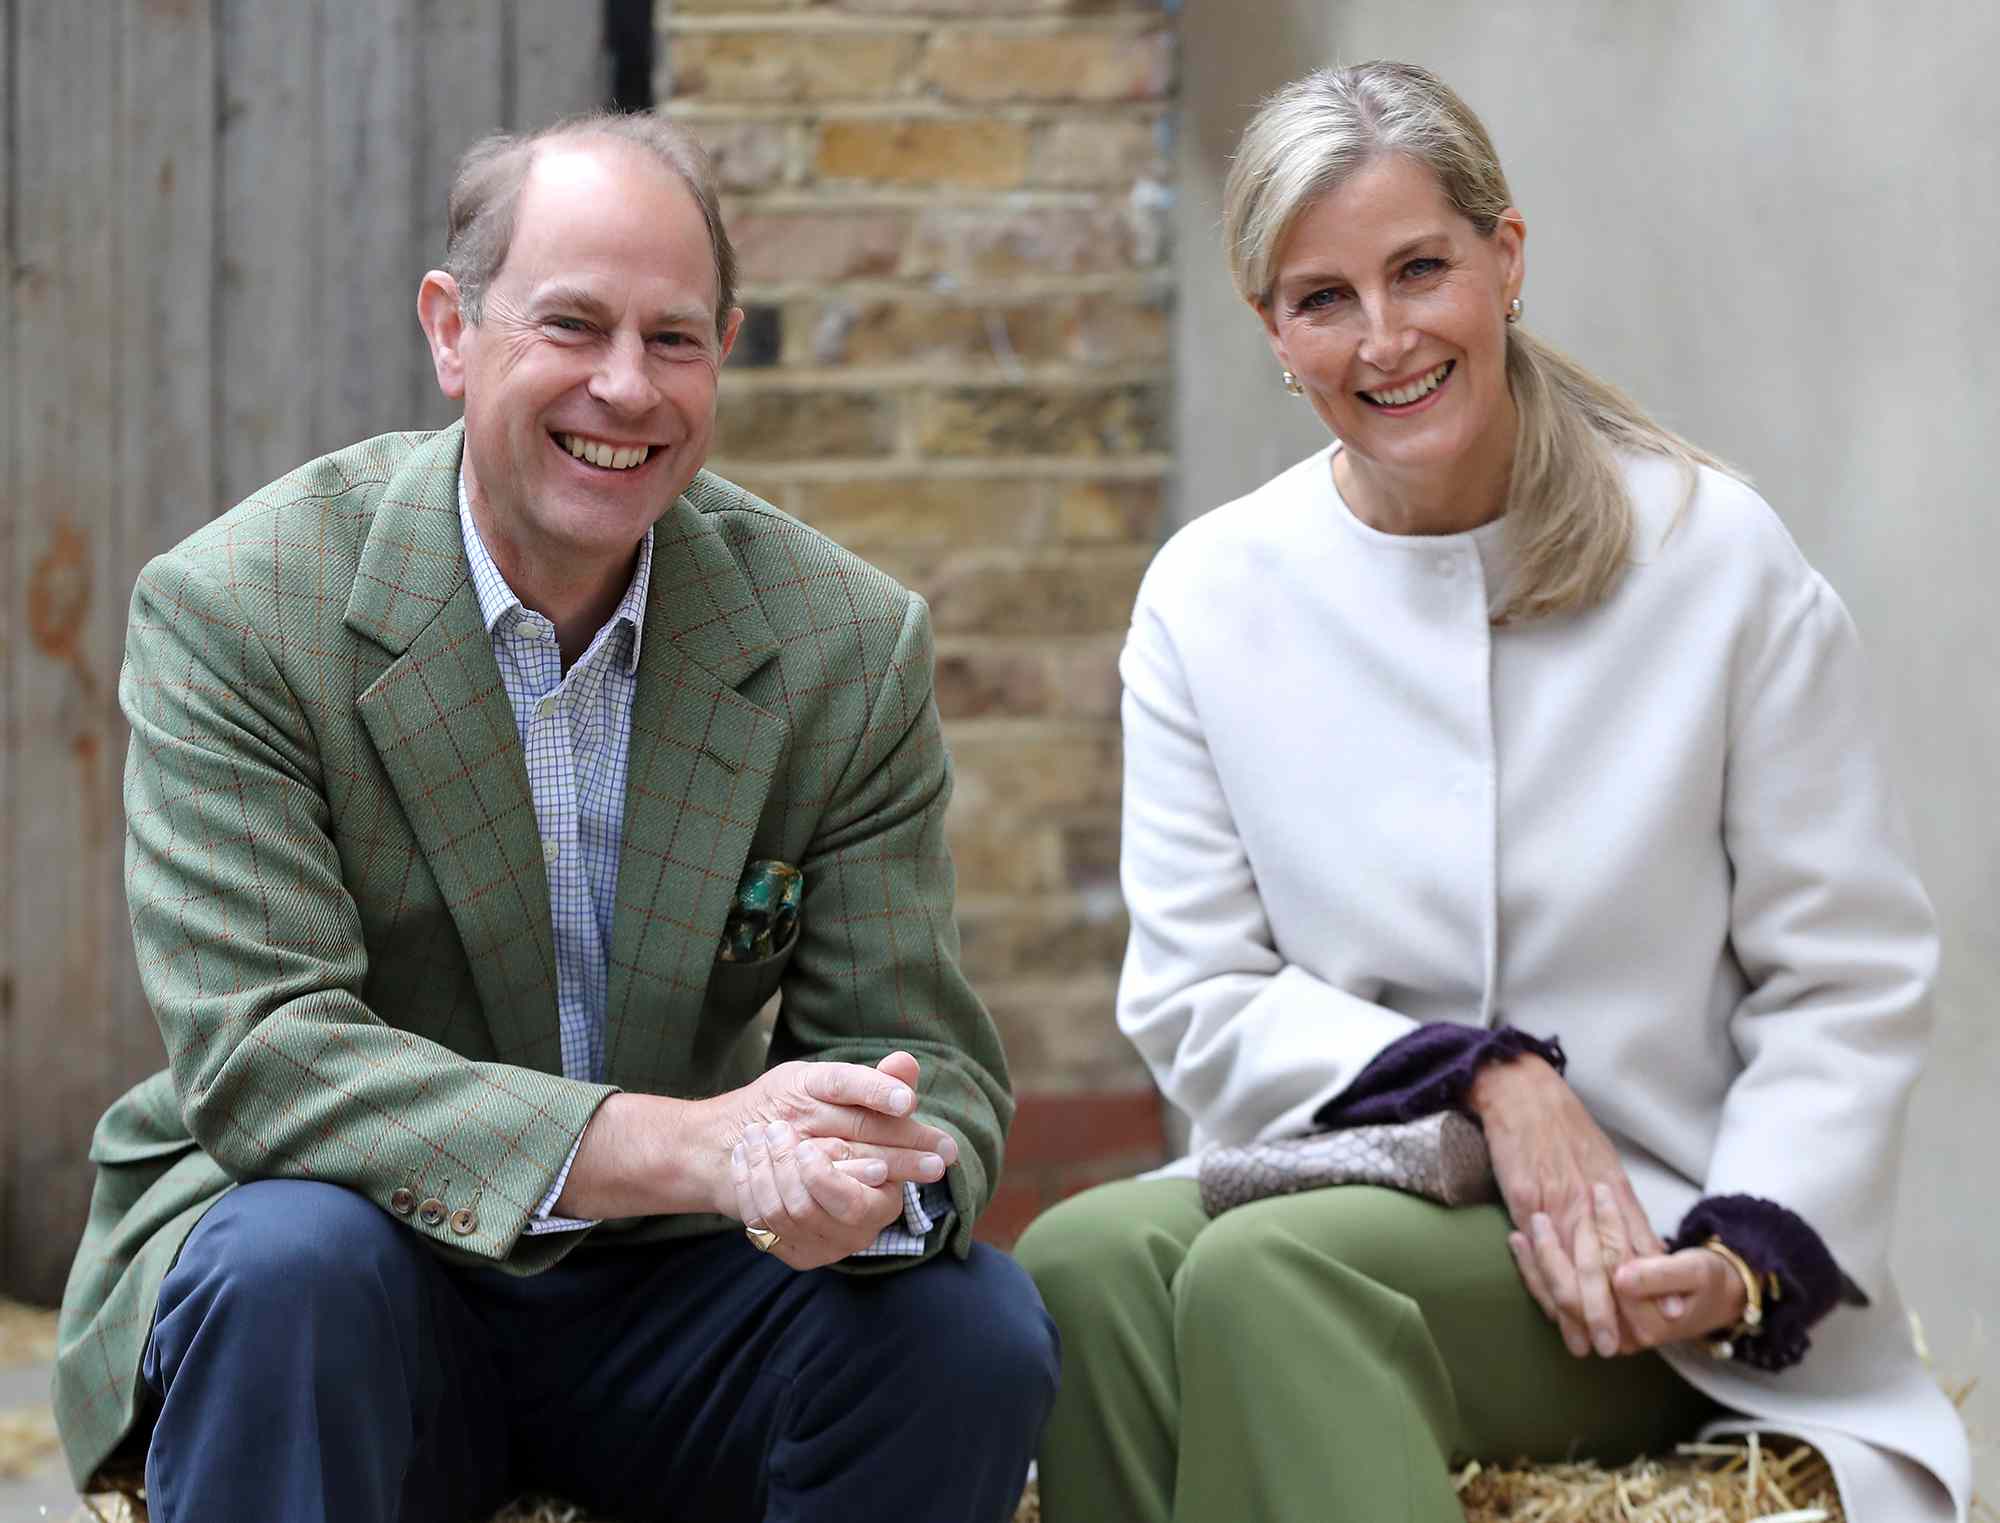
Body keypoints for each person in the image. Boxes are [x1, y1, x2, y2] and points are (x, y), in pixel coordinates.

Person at [51, 112, 1057, 1523]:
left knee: (968, 1332)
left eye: (677, 339)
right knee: (288, 1270)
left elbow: (925, 1056)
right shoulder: (241, 609)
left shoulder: (842, 643)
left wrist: (863, 1174)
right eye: (573, 325)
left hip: (673, 1292)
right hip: (358, 1262)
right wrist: (692, 1145)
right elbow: (266, 1058)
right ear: (452, 333)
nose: (627, 387)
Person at [1014, 60, 1970, 1523]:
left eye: (1420, 270)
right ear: (1273, 330)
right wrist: (1485, 1077)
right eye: (1323, 297)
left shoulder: (1717, 561)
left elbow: (1843, 971)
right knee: (1076, 1264)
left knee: (1278, 1280)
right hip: (1360, 1177)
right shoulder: (1210, 598)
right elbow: (1197, 993)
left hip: (1652, 1250)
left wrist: (1744, 1251)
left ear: (1505, 260)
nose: (1383, 337)